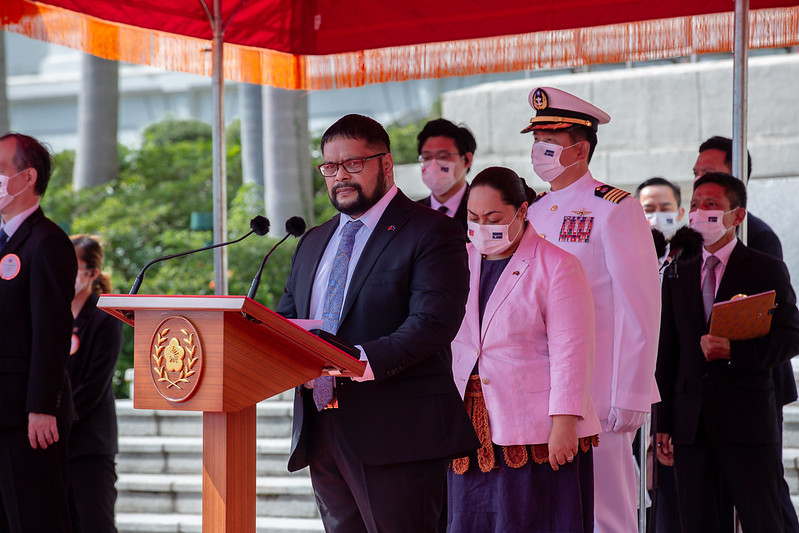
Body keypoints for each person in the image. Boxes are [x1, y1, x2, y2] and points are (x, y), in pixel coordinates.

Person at [276, 113, 479, 533]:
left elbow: (433, 323)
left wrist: (354, 362)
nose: (340, 176)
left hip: (397, 433)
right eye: (330, 167)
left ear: (386, 164)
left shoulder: (431, 231)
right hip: (322, 427)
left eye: (353, 163)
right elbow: (288, 320)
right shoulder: (313, 241)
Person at [521, 87, 661, 533]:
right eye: (536, 139)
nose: (538, 150)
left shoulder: (614, 209)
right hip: (542, 389)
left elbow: (640, 307)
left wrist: (631, 391)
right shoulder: (533, 212)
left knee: (606, 513)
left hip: (600, 390)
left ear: (580, 149)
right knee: (551, 511)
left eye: (550, 141)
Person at [448, 166, 600, 532]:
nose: (482, 227)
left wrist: (564, 422)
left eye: (493, 218)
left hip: (537, 429)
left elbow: (571, 351)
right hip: (468, 423)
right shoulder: (456, 262)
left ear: (522, 210)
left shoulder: (557, 265)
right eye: (473, 218)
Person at [655, 172, 799, 533]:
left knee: (762, 519)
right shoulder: (677, 268)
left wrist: (735, 352)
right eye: (695, 204)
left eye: (711, 205)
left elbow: (790, 336)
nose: (699, 212)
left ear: (738, 215)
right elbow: (667, 352)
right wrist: (663, 423)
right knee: (697, 522)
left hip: (747, 421)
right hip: (691, 425)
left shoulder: (764, 268)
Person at [693, 135, 799, 532]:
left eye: (710, 172)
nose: (700, 180)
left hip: (752, 392)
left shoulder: (758, 238)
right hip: (699, 408)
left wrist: (736, 353)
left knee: (764, 500)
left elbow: (781, 324)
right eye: (696, 173)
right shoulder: (685, 254)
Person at [0, 132, 76, 532]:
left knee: (34, 518)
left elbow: (51, 330)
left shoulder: (46, 242)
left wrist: (42, 406)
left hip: (25, 416)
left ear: (27, 178)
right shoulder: (4, 241)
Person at [68, 235, 123, 533]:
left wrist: (54, 418)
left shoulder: (105, 318)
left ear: (92, 273)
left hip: (89, 442)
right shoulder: (50, 313)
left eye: (72, 267)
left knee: (95, 524)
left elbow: (93, 385)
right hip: (51, 442)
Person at [416, 118, 476, 230]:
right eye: (427, 158)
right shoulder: (412, 215)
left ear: (467, 160)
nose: (434, 166)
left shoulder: (483, 212)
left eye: (443, 157)